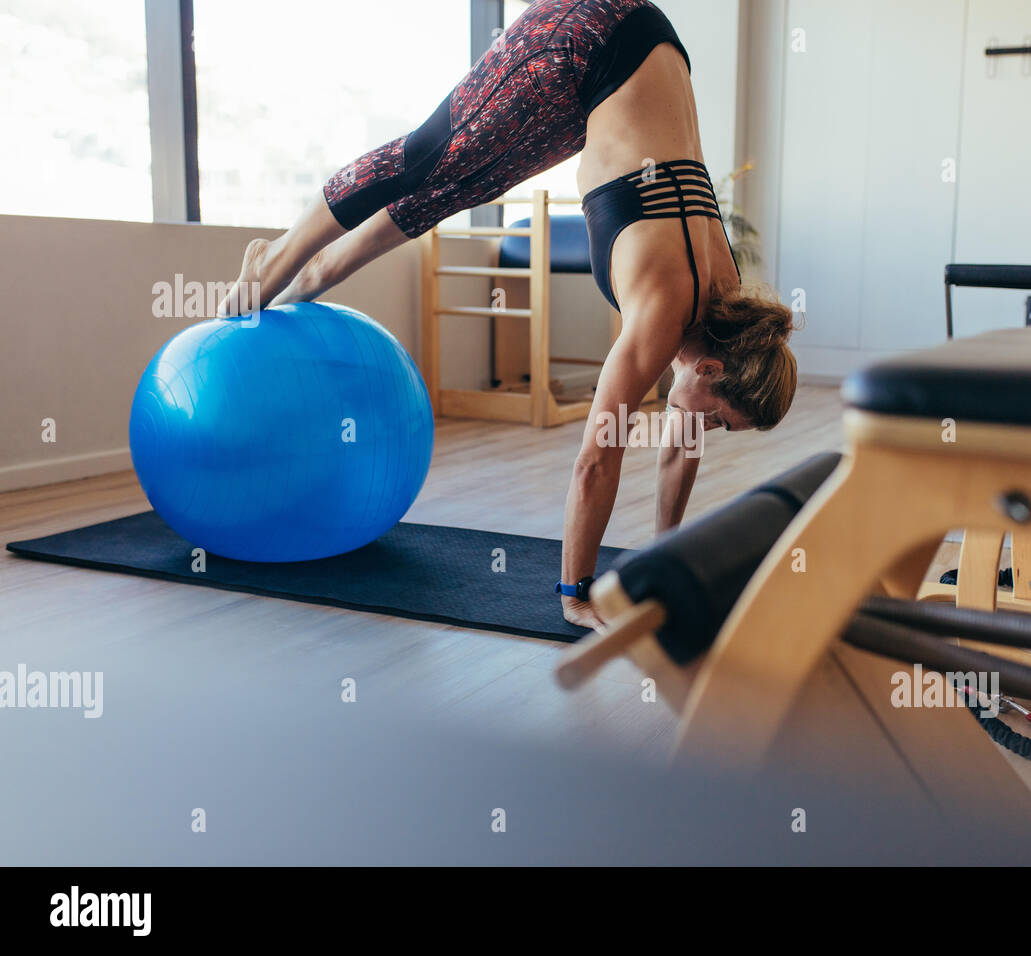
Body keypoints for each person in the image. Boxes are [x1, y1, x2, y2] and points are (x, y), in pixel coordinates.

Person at [216, 0, 797, 627]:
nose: (705, 433)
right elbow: (597, 457)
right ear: (709, 371)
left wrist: (666, 557)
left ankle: (322, 270)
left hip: (625, 58)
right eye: (722, 422)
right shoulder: (663, 311)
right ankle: (280, 253)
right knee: (427, 154)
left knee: (466, 182)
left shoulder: (729, 306)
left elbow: (681, 441)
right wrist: (575, 593)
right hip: (587, 34)